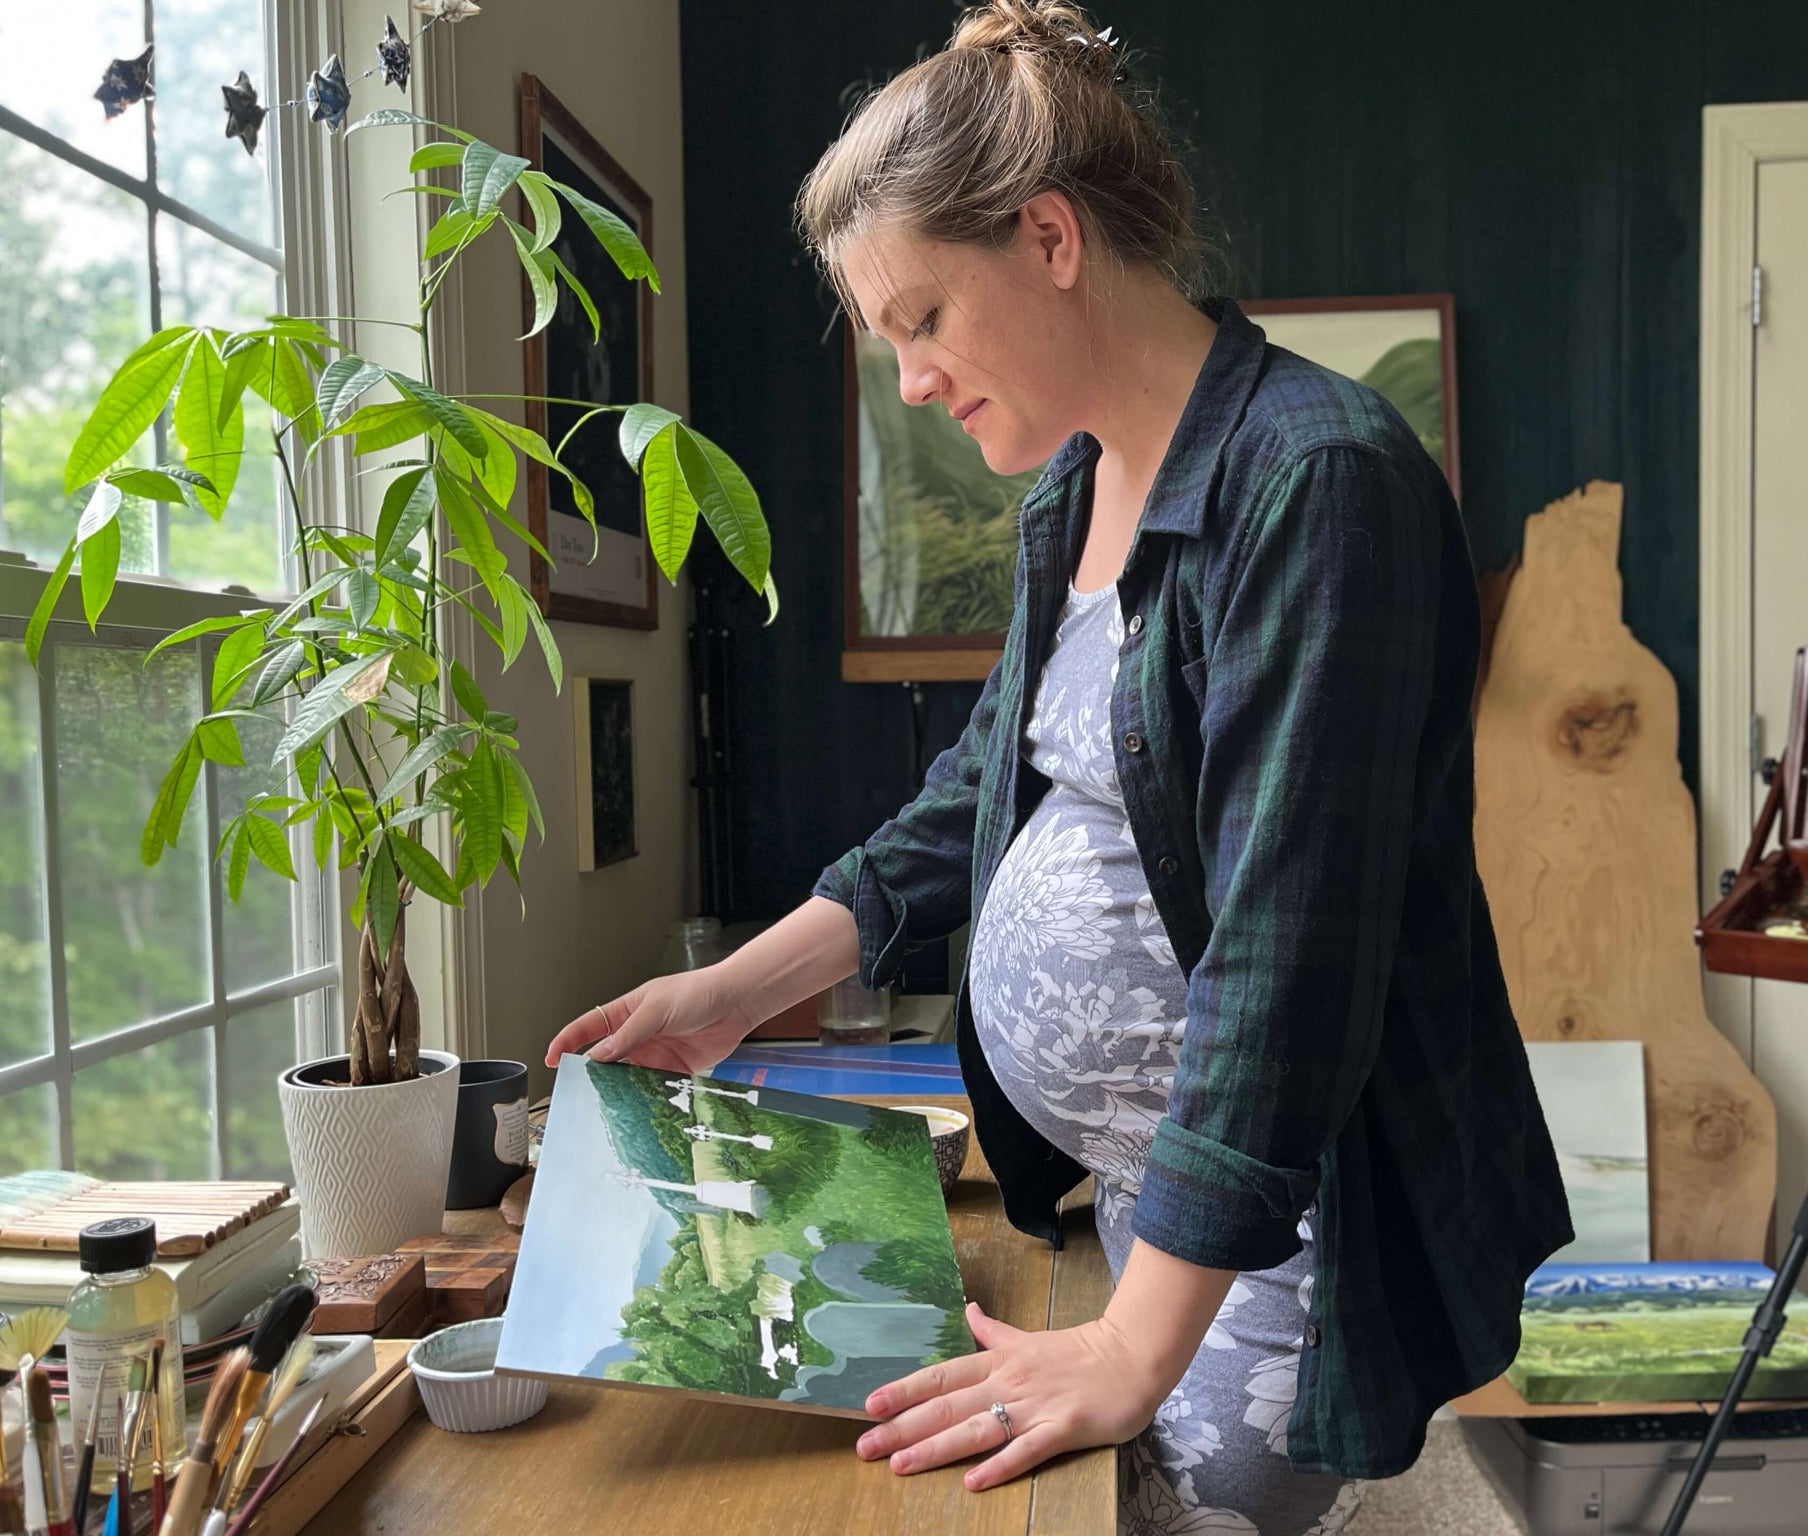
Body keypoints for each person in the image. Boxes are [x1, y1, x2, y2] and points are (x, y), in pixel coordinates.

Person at [546, 3, 1572, 1530]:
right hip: (1130, 1210)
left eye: (922, 322)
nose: (909, 382)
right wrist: (728, 994)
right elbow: (981, 794)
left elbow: (1288, 979)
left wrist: (1123, 1351)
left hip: (1277, 1249)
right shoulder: (1077, 489)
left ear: (1047, 237)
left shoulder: (1317, 483)